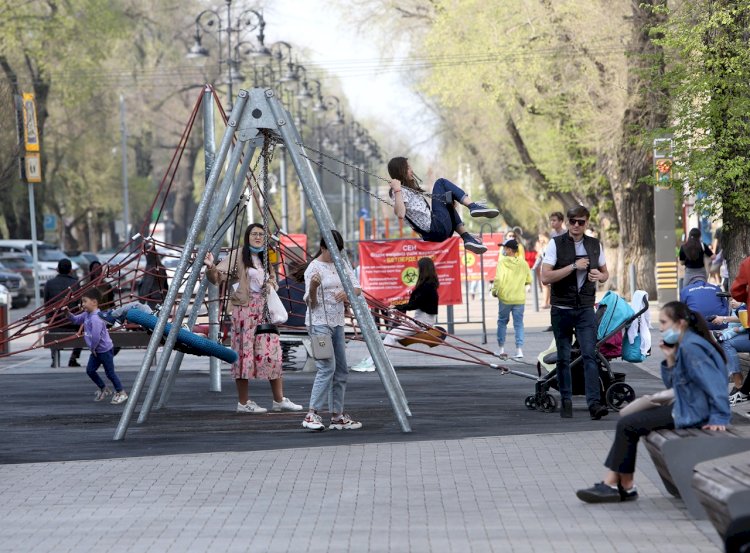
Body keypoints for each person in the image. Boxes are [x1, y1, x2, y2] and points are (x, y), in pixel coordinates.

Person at [576, 301, 731, 503]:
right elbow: (673, 385)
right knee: (629, 422)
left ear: (681, 324)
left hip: (695, 411)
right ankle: (620, 485)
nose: (661, 328)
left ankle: (618, 485)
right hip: (689, 406)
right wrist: (670, 359)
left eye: (664, 322)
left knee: (627, 424)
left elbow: (715, 384)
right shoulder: (687, 344)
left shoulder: (693, 347)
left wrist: (720, 416)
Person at [204, 223, 302, 414]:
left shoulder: (264, 257)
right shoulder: (238, 255)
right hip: (245, 312)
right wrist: (211, 267)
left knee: (272, 352)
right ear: (247, 237)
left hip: (264, 311)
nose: (258, 237)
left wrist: (271, 284)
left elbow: (273, 279)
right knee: (243, 354)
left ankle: (279, 399)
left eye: (261, 235)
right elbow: (217, 277)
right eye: (254, 234)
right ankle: (243, 402)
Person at [541, 205, 610, 420]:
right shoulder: (556, 244)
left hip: (585, 309)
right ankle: (567, 401)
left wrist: (599, 275)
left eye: (581, 222)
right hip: (562, 309)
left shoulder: (594, 245)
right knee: (563, 357)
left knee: (590, 355)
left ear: (587, 222)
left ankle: (594, 404)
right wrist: (573, 266)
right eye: (573, 221)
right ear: (567, 222)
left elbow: (606, 273)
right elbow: (545, 277)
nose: (577, 226)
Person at [293, 230, 363, 431]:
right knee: (326, 367)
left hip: (338, 323)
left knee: (341, 370)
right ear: (323, 247)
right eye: (332, 249)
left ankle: (337, 415)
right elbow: (311, 303)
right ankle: (311, 414)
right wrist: (314, 287)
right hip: (318, 325)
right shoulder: (314, 268)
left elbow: (357, 288)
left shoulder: (341, 264)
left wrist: (347, 292)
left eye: (338, 250)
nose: (335, 254)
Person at [387, 157, 498, 255]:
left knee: (448, 202)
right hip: (436, 227)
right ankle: (473, 206)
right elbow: (400, 213)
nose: (412, 170)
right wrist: (397, 190)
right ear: (400, 171)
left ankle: (467, 237)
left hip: (438, 232)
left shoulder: (407, 190)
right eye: (408, 168)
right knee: (441, 182)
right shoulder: (398, 192)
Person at [352, 257, 439, 372]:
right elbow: (415, 303)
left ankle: (372, 362)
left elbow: (414, 304)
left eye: (418, 268)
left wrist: (398, 308)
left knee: (391, 335)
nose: (417, 270)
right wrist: (399, 309)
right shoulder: (429, 285)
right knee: (392, 334)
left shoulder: (426, 287)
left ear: (423, 269)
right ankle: (372, 360)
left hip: (422, 321)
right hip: (422, 319)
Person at [64, 288, 128, 404]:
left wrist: (92, 348)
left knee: (110, 373)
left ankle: (121, 392)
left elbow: (96, 336)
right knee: (90, 370)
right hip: (96, 350)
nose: (82, 304)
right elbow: (75, 320)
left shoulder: (96, 318)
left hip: (104, 350)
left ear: (94, 302)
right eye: (82, 302)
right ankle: (104, 388)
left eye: (84, 301)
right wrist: (67, 313)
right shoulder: (86, 314)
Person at [492, 239, 531, 359]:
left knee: (502, 322)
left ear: (509, 250)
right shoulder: (523, 263)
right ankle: (519, 350)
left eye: (504, 248)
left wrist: (494, 292)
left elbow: (498, 279)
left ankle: (501, 349)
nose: (503, 250)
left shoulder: (502, 262)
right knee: (518, 324)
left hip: (505, 298)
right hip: (519, 299)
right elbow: (529, 280)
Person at [44, 258, 82, 367]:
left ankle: (54, 359)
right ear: (70, 270)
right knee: (83, 327)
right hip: (73, 325)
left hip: (55, 324)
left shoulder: (49, 284)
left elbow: (47, 304)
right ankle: (73, 358)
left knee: (52, 330)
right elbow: (80, 304)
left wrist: (50, 320)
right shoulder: (76, 284)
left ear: (57, 269)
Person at [541, 212, 566, 309]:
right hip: (552, 263)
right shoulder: (551, 234)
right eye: (551, 221)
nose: (552, 223)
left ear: (561, 221)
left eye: (554, 220)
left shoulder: (566, 234)